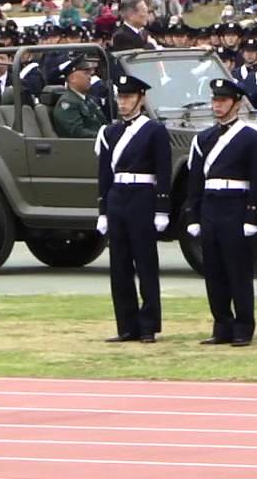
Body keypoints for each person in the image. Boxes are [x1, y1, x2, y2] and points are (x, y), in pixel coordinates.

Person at [185, 78, 257, 347]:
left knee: (238, 271)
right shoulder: (204, 138)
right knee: (214, 270)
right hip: (211, 206)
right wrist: (193, 215)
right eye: (215, 100)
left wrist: (253, 216)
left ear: (236, 103)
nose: (217, 105)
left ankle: (244, 326)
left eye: (222, 101)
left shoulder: (250, 138)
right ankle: (221, 325)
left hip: (236, 205)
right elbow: (195, 181)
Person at [97, 74, 171, 344]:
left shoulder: (154, 130)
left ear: (141, 99)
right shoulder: (110, 131)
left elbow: (164, 170)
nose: (123, 102)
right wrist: (103, 210)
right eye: (121, 97)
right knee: (119, 265)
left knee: (146, 263)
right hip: (118, 196)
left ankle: (149, 324)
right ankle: (127, 325)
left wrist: (162, 207)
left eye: (128, 97)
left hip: (143, 196)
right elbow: (104, 173)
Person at [51, 54, 104, 139]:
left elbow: (102, 121)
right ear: (72, 78)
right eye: (86, 73)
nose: (89, 77)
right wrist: (103, 136)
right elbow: (77, 132)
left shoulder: (87, 99)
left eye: (90, 74)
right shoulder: (67, 103)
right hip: (82, 148)